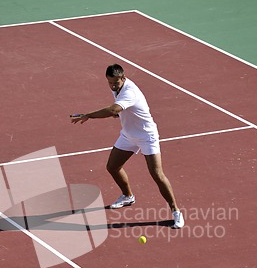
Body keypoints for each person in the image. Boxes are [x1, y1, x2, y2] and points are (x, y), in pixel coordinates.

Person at [71, 64, 184, 229]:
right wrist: (120, 113)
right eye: (110, 83)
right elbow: (117, 110)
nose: (113, 86)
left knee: (157, 174)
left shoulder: (129, 92)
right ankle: (127, 196)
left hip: (147, 136)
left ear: (123, 78)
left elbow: (112, 110)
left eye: (116, 82)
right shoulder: (117, 89)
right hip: (128, 135)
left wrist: (88, 115)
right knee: (113, 166)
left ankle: (175, 211)